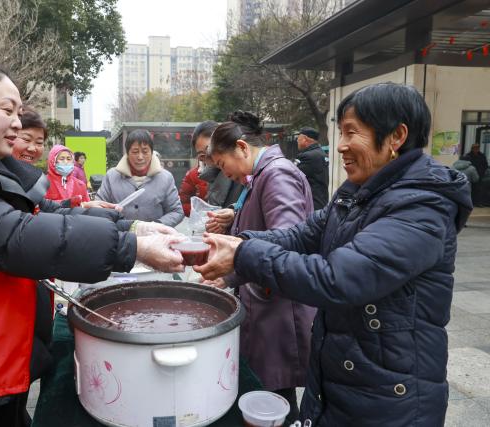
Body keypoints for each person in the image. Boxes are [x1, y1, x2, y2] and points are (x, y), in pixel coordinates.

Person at [0, 61, 185, 427]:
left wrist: (134, 227)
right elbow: (14, 236)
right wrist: (131, 248)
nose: (16, 123)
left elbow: (49, 214)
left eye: (19, 113)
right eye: (6, 110)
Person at [195, 83, 473, 426]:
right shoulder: (357, 191)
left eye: (351, 132)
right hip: (344, 376)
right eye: (340, 132)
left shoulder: (422, 205)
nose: (340, 146)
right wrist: (239, 243)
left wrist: (243, 255)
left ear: (396, 136)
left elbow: (338, 278)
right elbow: (301, 234)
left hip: (389, 395)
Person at [205, 111, 315, 425]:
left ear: (242, 147)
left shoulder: (276, 174)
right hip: (266, 304)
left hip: (278, 312)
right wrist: (232, 216)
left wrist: (230, 272)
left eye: (224, 165)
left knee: (276, 403)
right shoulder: (262, 174)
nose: (226, 174)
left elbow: (286, 240)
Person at [97, 129, 184, 227]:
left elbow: (176, 211)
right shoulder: (112, 176)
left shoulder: (165, 178)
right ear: (127, 153)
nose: (140, 157)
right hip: (119, 238)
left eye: (145, 151)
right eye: (135, 152)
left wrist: (157, 225)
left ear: (151, 152)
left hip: (155, 238)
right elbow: (98, 208)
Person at [193, 121, 244, 210]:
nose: (211, 158)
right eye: (202, 156)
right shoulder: (210, 175)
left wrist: (233, 214)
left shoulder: (245, 171)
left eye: (210, 150)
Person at [178, 123, 210, 216]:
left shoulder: (233, 171)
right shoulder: (193, 175)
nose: (209, 158)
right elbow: (182, 204)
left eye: (210, 150)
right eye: (202, 155)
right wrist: (200, 212)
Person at [295, 126, 329, 210]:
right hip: (321, 200)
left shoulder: (307, 156)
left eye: (298, 138)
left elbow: (292, 176)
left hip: (311, 204)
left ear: (305, 139)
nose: (297, 141)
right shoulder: (321, 153)